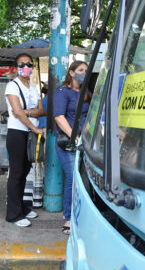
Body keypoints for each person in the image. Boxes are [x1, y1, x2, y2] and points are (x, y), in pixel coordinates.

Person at [4, 53, 45, 227]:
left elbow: (41, 110)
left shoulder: (35, 87)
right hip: (17, 132)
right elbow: (16, 112)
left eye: (28, 64)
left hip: (29, 134)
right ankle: (13, 214)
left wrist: (27, 112)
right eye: (21, 65)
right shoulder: (12, 86)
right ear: (16, 67)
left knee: (26, 170)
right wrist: (34, 127)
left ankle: (21, 206)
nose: (25, 67)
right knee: (16, 173)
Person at [53, 61, 91, 235]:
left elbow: (91, 115)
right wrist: (74, 137)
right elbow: (59, 117)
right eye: (81, 70)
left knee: (82, 178)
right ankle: (68, 217)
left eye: (86, 70)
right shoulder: (62, 92)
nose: (84, 72)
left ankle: (79, 213)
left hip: (84, 142)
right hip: (67, 142)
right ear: (72, 73)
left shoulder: (85, 93)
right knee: (73, 177)